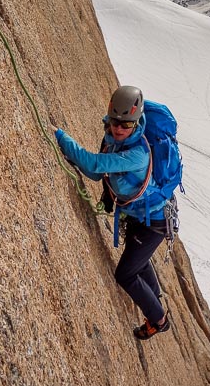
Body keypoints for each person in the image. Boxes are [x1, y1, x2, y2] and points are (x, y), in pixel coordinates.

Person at [54, 85, 170, 340]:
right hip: (140, 216)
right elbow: (97, 173)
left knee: (126, 274)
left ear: (137, 123)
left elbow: (95, 164)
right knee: (137, 259)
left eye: (125, 125)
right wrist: (74, 158)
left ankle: (159, 319)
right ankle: (155, 299)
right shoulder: (113, 139)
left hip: (153, 224)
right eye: (115, 122)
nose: (118, 128)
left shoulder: (138, 154)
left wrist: (61, 138)